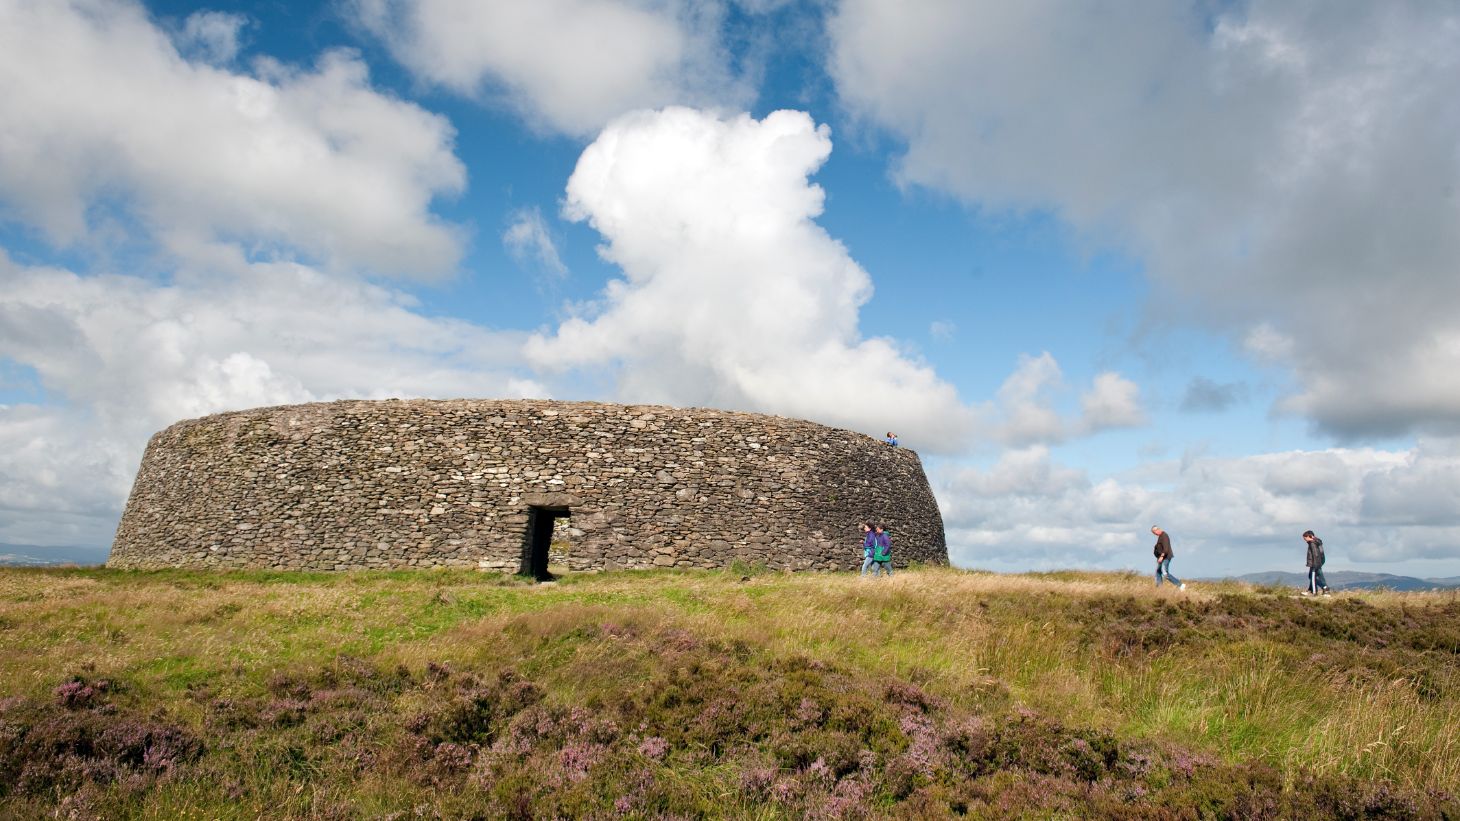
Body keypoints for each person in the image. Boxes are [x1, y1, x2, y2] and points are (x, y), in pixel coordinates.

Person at [1151, 525, 1185, 590]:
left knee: (1165, 573)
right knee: (1158, 572)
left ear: (1157, 530)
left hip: (1165, 557)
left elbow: (1166, 548)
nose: (1154, 534)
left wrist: (1161, 556)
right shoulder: (1160, 536)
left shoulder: (1164, 536)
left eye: (1154, 532)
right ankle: (1159, 588)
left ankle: (1180, 585)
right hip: (1161, 558)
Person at [1303, 530, 1330, 596]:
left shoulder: (1312, 543)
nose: (1304, 540)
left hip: (1315, 563)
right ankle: (1311, 590)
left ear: (1310, 536)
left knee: (1312, 577)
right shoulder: (1317, 542)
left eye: (1305, 538)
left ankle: (1317, 591)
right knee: (1314, 577)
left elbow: (1315, 554)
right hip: (1319, 562)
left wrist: (1315, 565)